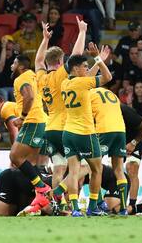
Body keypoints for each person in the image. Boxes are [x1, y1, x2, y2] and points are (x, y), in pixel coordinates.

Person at [34, 17, 86, 200]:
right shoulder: (59, 77)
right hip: (66, 128)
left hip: (50, 129)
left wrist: (44, 39)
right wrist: (82, 33)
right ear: (60, 60)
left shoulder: (41, 78)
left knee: (58, 169)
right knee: (78, 169)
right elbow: (77, 56)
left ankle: (59, 205)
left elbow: (38, 61)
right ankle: (73, 206)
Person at [60, 48, 112, 217]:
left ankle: (75, 208)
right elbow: (108, 77)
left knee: (73, 172)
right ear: (75, 69)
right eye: (84, 66)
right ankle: (93, 207)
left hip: (68, 133)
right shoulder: (82, 83)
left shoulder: (65, 83)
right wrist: (98, 58)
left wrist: (98, 62)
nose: (86, 68)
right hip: (85, 133)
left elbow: (88, 76)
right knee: (97, 170)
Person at [8, 55, 49, 213]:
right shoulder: (33, 75)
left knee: (15, 156)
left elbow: (29, 96)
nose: (12, 66)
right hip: (41, 120)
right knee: (31, 163)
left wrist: (23, 116)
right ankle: (43, 201)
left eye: (14, 63)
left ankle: (41, 188)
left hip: (32, 121)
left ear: (20, 66)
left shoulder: (21, 78)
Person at [90, 87, 129, 215]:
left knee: (95, 168)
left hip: (104, 129)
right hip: (120, 130)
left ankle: (98, 203)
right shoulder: (111, 93)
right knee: (119, 169)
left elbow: (86, 117)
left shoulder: (88, 94)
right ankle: (123, 209)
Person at [121, 103, 142, 214]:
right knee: (116, 170)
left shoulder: (125, 111)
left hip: (135, 140)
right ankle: (118, 203)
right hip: (120, 139)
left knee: (131, 169)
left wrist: (133, 143)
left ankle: (132, 206)